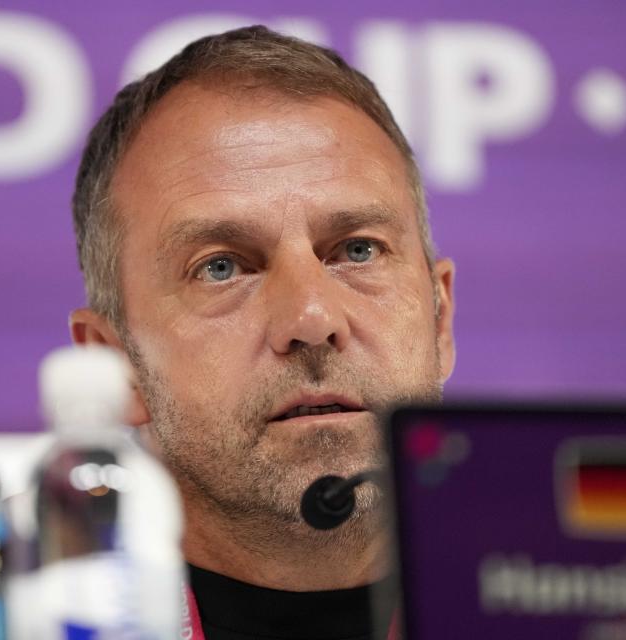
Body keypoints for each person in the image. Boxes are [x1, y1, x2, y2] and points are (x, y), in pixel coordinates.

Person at [68, 25, 455, 640]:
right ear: (117, 368)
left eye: (357, 250)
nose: (312, 320)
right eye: (221, 267)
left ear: (440, 319)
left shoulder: (595, 597)